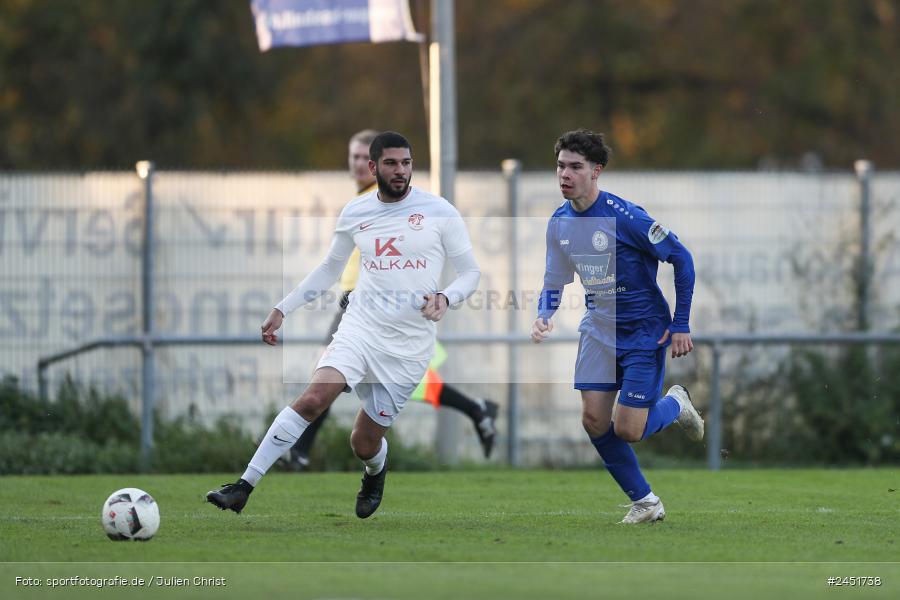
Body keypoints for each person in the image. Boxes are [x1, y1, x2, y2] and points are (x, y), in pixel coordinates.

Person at [208, 131, 481, 518]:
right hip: (361, 328)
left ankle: (375, 470)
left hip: (408, 346)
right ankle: (243, 486)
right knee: (312, 399)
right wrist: (283, 308)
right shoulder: (357, 212)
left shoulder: (439, 211)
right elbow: (329, 270)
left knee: (363, 442)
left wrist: (445, 298)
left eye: (406, 162)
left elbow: (471, 273)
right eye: (391, 163)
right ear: (374, 167)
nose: (400, 170)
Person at [286, 130, 498, 470]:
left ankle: (299, 450)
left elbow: (453, 263)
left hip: (381, 305)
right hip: (359, 304)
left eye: (361, 158)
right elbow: (332, 264)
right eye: (352, 157)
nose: (356, 165)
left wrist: (443, 295)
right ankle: (476, 408)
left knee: (333, 377)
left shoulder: (390, 198)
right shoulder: (360, 205)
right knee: (353, 380)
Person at [531, 129, 703, 524]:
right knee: (593, 419)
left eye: (575, 167)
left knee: (628, 429)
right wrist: (545, 313)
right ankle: (646, 502)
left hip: (644, 331)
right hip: (598, 330)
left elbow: (682, 258)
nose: (565, 174)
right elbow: (553, 280)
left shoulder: (627, 217)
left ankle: (676, 403)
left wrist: (681, 323)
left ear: (597, 172)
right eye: (560, 166)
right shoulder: (558, 223)